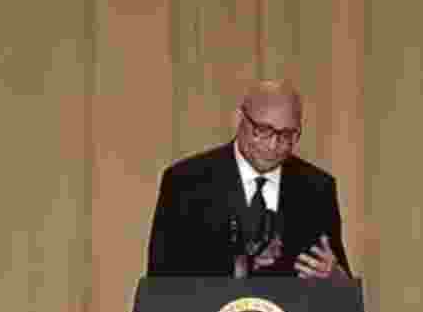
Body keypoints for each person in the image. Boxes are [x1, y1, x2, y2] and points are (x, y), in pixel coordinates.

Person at [147, 79, 351, 279]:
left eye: (287, 135)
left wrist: (336, 278)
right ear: (238, 119)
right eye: (263, 130)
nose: (273, 145)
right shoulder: (185, 183)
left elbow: (341, 292)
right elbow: (161, 285)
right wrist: (238, 267)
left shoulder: (316, 189)